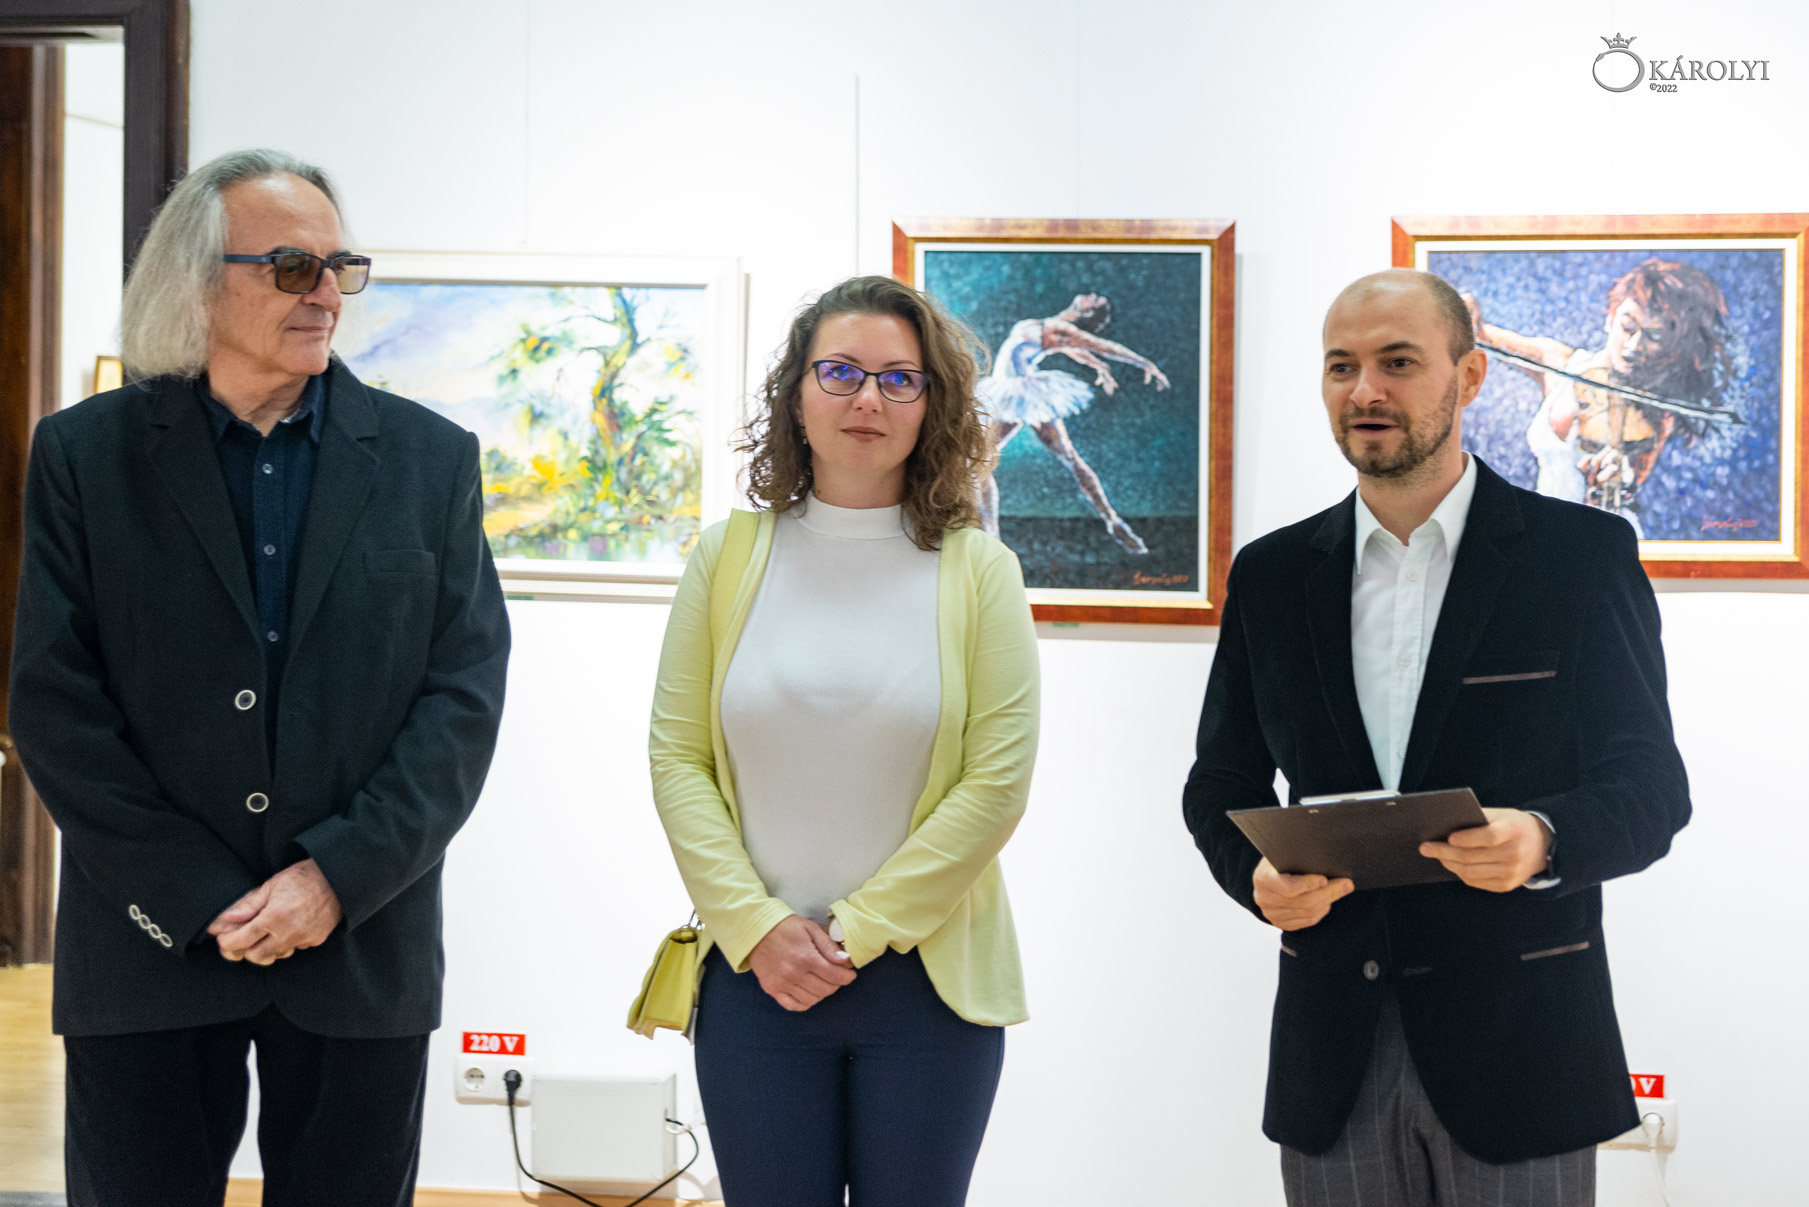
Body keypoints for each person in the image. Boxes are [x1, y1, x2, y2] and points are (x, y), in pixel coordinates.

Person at [9, 149, 511, 1207]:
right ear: (196, 281)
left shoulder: (430, 460)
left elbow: (461, 700)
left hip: (359, 940)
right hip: (149, 943)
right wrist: (196, 896)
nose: (325, 292)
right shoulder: (85, 456)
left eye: (340, 267)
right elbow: (54, 703)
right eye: (291, 267)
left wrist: (334, 878)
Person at [1181, 269, 1690, 1206]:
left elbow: (1650, 787)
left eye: (1398, 362)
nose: (1364, 390)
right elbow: (1219, 779)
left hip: (1522, 1045)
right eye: (1341, 365)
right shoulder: (1271, 575)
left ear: (1470, 377)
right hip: (1332, 1046)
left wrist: (1542, 837)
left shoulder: (1579, 558)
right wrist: (1250, 874)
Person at [648, 276, 1038, 1206]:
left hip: (928, 987)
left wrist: (853, 932)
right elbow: (677, 759)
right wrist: (757, 926)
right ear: (796, 393)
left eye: (899, 379)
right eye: (840, 372)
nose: (868, 398)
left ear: (931, 405)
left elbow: (995, 785)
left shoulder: (979, 569)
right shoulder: (726, 556)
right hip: (757, 977)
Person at [1464, 258, 1734, 535]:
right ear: (1610, 319)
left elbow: (1631, 477)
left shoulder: (1657, 410)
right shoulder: (1562, 363)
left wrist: (1616, 476)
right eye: (1628, 327)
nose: (1633, 346)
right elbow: (1481, 333)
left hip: (1603, 537)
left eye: (1653, 336)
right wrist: (1465, 312)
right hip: (1543, 534)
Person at [975, 292, 1170, 554]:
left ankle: (1113, 521)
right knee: (981, 461)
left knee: (1061, 457)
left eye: (1096, 301)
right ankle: (993, 537)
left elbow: (1103, 346)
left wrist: (1144, 363)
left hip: (1021, 394)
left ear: (1087, 312)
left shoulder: (1061, 329)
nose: (1093, 295)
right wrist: (1097, 365)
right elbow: (1072, 350)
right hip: (1010, 392)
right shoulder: (1052, 324)